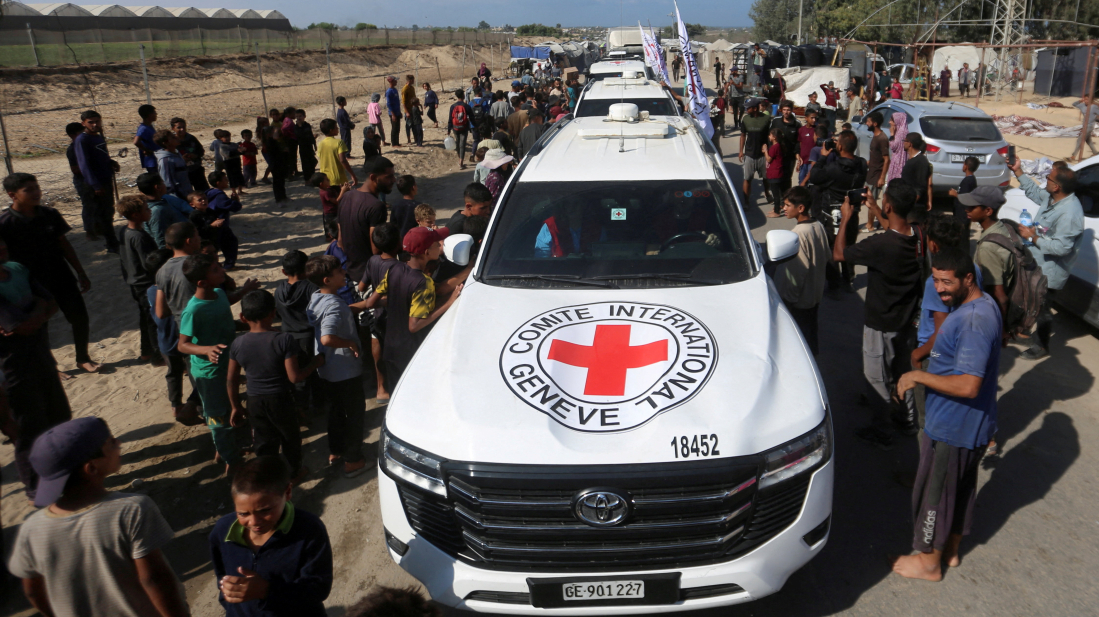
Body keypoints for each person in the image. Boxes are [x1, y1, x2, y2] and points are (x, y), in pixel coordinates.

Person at [7, 417, 190, 617]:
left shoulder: (31, 528)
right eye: (111, 442)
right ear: (91, 468)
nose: (118, 443)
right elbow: (154, 579)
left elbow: (33, 590)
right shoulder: (131, 509)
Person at [893, 247, 1001, 582]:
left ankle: (928, 562)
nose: (940, 289)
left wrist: (917, 375)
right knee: (961, 490)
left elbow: (969, 385)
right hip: (973, 425)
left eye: (946, 282)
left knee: (935, 495)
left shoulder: (972, 320)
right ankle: (951, 551)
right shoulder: (982, 305)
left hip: (954, 425)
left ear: (969, 278)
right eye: (936, 281)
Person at [832, 179, 923, 450]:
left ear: (889, 205)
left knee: (875, 377)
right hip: (907, 318)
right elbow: (895, 231)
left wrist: (846, 219)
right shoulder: (918, 234)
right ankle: (907, 420)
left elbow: (839, 254)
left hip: (880, 321)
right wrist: (876, 207)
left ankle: (883, 428)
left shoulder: (879, 245)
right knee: (901, 370)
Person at [1, 172, 101, 373]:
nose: (36, 193)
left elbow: (64, 244)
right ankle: (52, 367)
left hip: (61, 275)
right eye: (28, 190)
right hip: (31, 284)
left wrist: (80, 272)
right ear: (13, 195)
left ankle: (83, 357)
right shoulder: (5, 224)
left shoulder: (49, 214)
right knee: (41, 323)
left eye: (36, 187)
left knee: (79, 318)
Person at [209, 456, 333, 616]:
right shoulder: (222, 530)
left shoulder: (309, 529)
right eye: (243, 513)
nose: (254, 522)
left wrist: (266, 590)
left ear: (287, 492)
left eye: (265, 510)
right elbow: (222, 577)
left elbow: (318, 588)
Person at [0, 236, 70, 499]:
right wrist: (36, 312)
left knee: (59, 416)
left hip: (41, 357)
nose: (2, 247)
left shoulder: (17, 269)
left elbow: (50, 303)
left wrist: (30, 316)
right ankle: (34, 488)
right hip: (14, 368)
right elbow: (22, 324)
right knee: (29, 431)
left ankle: (62, 474)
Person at [228, 291, 324, 481]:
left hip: (254, 400)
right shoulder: (283, 340)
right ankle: (294, 474)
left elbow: (231, 379)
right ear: (273, 313)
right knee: (290, 438)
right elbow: (295, 377)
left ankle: (268, 478)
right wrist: (316, 363)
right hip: (280, 399)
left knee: (263, 442)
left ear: (242, 317)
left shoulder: (238, 343)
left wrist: (235, 406)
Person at [361, 227, 462, 387]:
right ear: (427, 252)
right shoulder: (424, 283)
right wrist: (449, 303)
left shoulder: (394, 268)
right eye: (437, 244)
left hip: (390, 346)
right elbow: (414, 326)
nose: (440, 246)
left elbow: (371, 302)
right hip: (411, 352)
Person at [178, 252, 248, 473]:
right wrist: (206, 349)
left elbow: (227, 304)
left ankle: (224, 449)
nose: (222, 271)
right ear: (202, 282)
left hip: (228, 365)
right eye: (216, 270)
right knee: (217, 416)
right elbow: (182, 344)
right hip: (209, 373)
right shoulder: (193, 310)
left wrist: (246, 291)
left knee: (229, 409)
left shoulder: (218, 292)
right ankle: (231, 461)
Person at [1009, 159, 1084, 359]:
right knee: (1027, 299)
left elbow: (1061, 248)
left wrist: (1033, 237)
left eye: (1048, 178)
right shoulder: (1053, 199)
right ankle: (1021, 330)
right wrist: (1018, 172)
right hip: (1037, 262)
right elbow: (1036, 192)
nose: (1046, 180)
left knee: (1042, 308)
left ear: (1057, 186)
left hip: (1050, 270)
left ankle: (1041, 346)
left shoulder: (1070, 213)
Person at [305, 255, 368, 477]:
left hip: (328, 369)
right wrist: (350, 342)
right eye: (339, 272)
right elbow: (327, 338)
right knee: (354, 414)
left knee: (336, 412)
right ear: (327, 279)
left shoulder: (316, 297)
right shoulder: (333, 306)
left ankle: (336, 451)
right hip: (344, 369)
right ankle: (353, 460)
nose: (344, 274)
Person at [808, 130, 868, 291]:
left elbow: (814, 177)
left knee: (832, 249)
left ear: (839, 146)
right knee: (849, 246)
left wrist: (823, 156)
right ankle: (848, 280)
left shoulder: (833, 168)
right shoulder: (861, 164)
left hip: (832, 215)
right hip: (852, 213)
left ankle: (834, 286)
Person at [774, 186, 829, 355]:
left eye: (788, 205)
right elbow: (827, 255)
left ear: (801, 208)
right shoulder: (818, 225)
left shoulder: (798, 234)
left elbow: (797, 273)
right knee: (811, 335)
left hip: (800, 301)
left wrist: (789, 301)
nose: (784, 208)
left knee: (800, 343)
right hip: (815, 295)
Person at [115, 194, 163, 366]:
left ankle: (146, 352)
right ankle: (158, 356)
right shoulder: (139, 237)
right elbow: (149, 263)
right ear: (135, 214)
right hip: (145, 283)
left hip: (134, 282)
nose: (149, 211)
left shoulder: (124, 231)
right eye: (145, 209)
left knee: (145, 318)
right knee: (152, 320)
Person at [357, 223, 402, 399]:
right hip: (394, 317)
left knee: (377, 345)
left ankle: (381, 388)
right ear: (398, 242)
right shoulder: (399, 267)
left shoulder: (373, 261)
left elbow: (361, 286)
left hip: (377, 316)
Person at [963, 186, 1016, 330]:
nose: (967, 209)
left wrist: (1002, 331)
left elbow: (1000, 296)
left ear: (988, 211)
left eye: (972, 207)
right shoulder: (1003, 228)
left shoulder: (988, 247)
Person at [338, 156, 394, 284]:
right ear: (373, 178)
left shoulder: (346, 197)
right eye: (388, 177)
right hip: (370, 277)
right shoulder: (376, 206)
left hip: (351, 274)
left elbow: (340, 241)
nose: (394, 180)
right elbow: (376, 249)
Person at [73, 109, 121, 252]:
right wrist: (95, 185)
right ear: (83, 124)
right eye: (91, 122)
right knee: (103, 214)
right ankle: (111, 243)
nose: (95, 125)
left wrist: (111, 163)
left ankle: (111, 240)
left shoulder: (98, 137)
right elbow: (84, 165)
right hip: (96, 183)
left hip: (106, 179)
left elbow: (100, 157)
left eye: (97, 121)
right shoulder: (82, 139)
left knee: (109, 210)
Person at [65, 122, 100, 241]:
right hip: (83, 181)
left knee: (97, 204)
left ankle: (97, 228)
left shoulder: (86, 144)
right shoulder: (73, 149)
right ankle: (89, 232)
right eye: (81, 132)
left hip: (93, 178)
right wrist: (89, 169)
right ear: (72, 135)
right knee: (89, 206)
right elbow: (75, 169)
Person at [139, 172, 192, 248]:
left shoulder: (165, 199)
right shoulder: (157, 211)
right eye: (163, 183)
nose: (165, 185)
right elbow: (160, 240)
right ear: (157, 187)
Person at [205, 170, 243, 269]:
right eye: (225, 180)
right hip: (220, 225)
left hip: (212, 224)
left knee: (217, 246)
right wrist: (236, 202)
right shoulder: (220, 195)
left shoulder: (209, 193)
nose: (227, 181)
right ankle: (229, 265)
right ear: (218, 183)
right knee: (230, 244)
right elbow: (232, 207)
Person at [739, 98, 771, 204]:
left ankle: (767, 193)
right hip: (749, 154)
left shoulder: (766, 119)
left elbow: (770, 135)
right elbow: (743, 135)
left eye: (748, 108)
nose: (747, 109)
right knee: (747, 178)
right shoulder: (746, 119)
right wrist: (741, 151)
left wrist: (769, 149)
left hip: (763, 155)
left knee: (766, 178)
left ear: (755, 108)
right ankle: (746, 201)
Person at [316, 118, 357, 188]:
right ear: (331, 130)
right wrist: (353, 175)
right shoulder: (339, 142)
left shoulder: (320, 144)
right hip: (338, 178)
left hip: (325, 178)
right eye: (336, 127)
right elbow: (343, 160)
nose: (337, 128)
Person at [172, 117, 209, 192]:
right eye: (179, 127)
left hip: (196, 170)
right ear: (173, 128)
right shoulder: (171, 141)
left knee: (204, 192)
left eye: (184, 127)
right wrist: (181, 159)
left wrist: (194, 155)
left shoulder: (191, 138)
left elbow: (200, 150)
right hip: (182, 173)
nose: (182, 129)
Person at [311, 172, 350, 241]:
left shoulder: (328, 189)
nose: (329, 180)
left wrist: (341, 189)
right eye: (326, 179)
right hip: (331, 213)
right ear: (321, 184)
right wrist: (343, 191)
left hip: (333, 211)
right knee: (332, 226)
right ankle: (331, 238)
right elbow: (336, 201)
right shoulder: (325, 192)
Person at [901, 133, 932, 212]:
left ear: (910, 144)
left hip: (915, 206)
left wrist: (909, 205)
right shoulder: (912, 159)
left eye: (905, 141)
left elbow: (920, 187)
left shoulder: (920, 161)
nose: (903, 143)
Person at [948, 156, 980, 224]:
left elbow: (965, 198)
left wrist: (955, 194)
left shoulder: (967, 181)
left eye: (964, 164)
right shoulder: (971, 179)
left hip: (962, 215)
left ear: (966, 166)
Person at [764, 128, 787, 217]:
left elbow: (769, 159)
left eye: (770, 135)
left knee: (775, 194)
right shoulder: (777, 146)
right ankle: (777, 207)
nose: (769, 136)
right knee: (777, 192)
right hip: (775, 173)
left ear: (774, 137)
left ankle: (777, 212)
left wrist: (765, 150)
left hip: (775, 174)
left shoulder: (775, 147)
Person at [390, 175, 420, 240]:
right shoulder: (418, 206)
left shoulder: (395, 204)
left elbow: (392, 223)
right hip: (413, 239)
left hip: (399, 240)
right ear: (413, 187)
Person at [134, 104, 160, 174]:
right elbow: (136, 142)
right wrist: (146, 150)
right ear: (149, 115)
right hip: (151, 162)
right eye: (154, 112)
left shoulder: (149, 126)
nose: (156, 114)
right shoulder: (143, 128)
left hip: (155, 159)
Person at [796, 111, 820, 186]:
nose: (814, 120)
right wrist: (798, 157)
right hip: (803, 161)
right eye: (812, 118)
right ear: (806, 118)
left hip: (812, 162)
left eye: (815, 118)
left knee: (810, 181)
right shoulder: (801, 130)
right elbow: (799, 144)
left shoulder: (817, 130)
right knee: (801, 180)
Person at [886, 111, 909, 183]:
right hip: (897, 160)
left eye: (892, 120)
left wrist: (892, 135)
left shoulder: (901, 133)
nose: (889, 122)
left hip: (899, 162)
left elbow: (893, 146)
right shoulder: (900, 131)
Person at [295, 109, 318, 180]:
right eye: (297, 116)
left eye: (300, 116)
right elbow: (299, 136)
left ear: (304, 116)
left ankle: (312, 177)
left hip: (309, 147)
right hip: (303, 147)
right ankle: (307, 179)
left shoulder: (307, 125)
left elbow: (310, 135)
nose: (299, 118)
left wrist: (314, 144)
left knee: (313, 162)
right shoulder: (296, 127)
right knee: (305, 164)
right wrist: (300, 126)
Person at [385, 76, 403, 147]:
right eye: (395, 81)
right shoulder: (389, 92)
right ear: (391, 82)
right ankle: (394, 143)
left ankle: (397, 142)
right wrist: (393, 114)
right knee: (394, 128)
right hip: (393, 113)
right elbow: (389, 104)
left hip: (397, 111)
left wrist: (399, 112)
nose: (396, 82)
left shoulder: (395, 90)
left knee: (398, 128)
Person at [402, 75, 418, 144]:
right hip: (408, 110)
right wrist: (407, 112)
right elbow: (403, 102)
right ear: (410, 80)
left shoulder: (412, 88)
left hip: (413, 109)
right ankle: (409, 139)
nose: (414, 81)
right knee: (408, 125)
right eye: (413, 80)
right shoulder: (405, 89)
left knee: (414, 124)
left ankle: (415, 138)